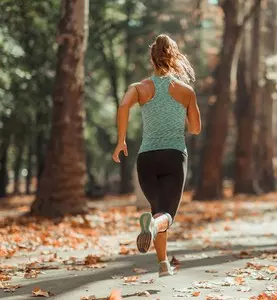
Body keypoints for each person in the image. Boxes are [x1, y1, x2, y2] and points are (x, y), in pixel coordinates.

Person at [112, 34, 201, 277]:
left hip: (147, 159)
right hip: (174, 157)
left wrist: (120, 141)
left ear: (152, 59)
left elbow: (122, 106)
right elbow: (195, 128)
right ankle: (152, 231)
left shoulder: (139, 88)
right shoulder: (185, 91)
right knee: (166, 216)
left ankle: (163, 265)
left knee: (157, 210)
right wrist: (179, 114)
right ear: (174, 58)